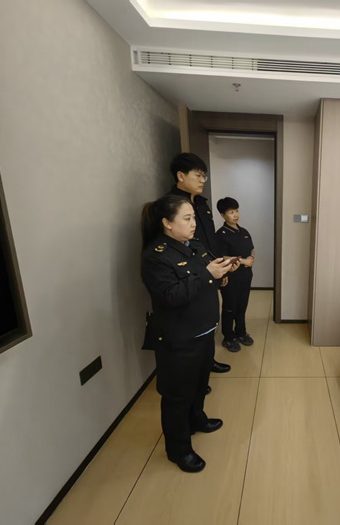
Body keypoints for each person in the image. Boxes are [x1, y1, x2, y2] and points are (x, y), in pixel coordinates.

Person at [140, 194, 237, 472]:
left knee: (199, 385)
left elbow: (203, 279)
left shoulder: (194, 246)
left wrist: (221, 273)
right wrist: (208, 275)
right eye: (187, 218)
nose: (194, 223)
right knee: (177, 396)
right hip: (178, 338)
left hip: (204, 331)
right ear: (167, 223)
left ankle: (197, 419)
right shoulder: (156, 256)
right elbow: (171, 295)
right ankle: (178, 449)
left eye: (194, 217)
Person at [167, 152, 232, 374]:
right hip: (188, 274)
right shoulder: (171, 205)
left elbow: (209, 240)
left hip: (210, 269)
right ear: (181, 176)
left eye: (205, 176)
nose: (203, 180)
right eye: (199, 175)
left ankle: (207, 361)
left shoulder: (202, 204)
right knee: (192, 319)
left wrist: (220, 268)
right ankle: (194, 371)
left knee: (209, 315)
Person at [215, 197, 255, 352]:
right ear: (223, 215)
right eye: (231, 212)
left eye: (237, 211)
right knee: (230, 307)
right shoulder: (221, 234)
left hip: (246, 275)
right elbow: (222, 256)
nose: (235, 215)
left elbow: (251, 249)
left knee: (242, 305)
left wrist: (251, 258)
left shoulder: (244, 231)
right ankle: (228, 337)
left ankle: (241, 332)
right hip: (230, 276)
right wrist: (244, 261)